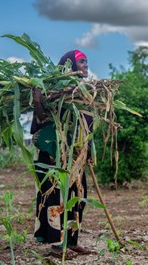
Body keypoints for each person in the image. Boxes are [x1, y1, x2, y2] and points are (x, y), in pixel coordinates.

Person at [31, 49, 95, 260]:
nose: (86, 65)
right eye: (81, 62)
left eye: (86, 62)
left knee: (78, 197)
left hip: (75, 158)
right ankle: (57, 245)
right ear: (70, 65)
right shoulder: (53, 90)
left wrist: (88, 151)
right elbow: (42, 122)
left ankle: (72, 241)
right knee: (55, 198)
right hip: (53, 158)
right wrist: (38, 102)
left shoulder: (83, 92)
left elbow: (87, 125)